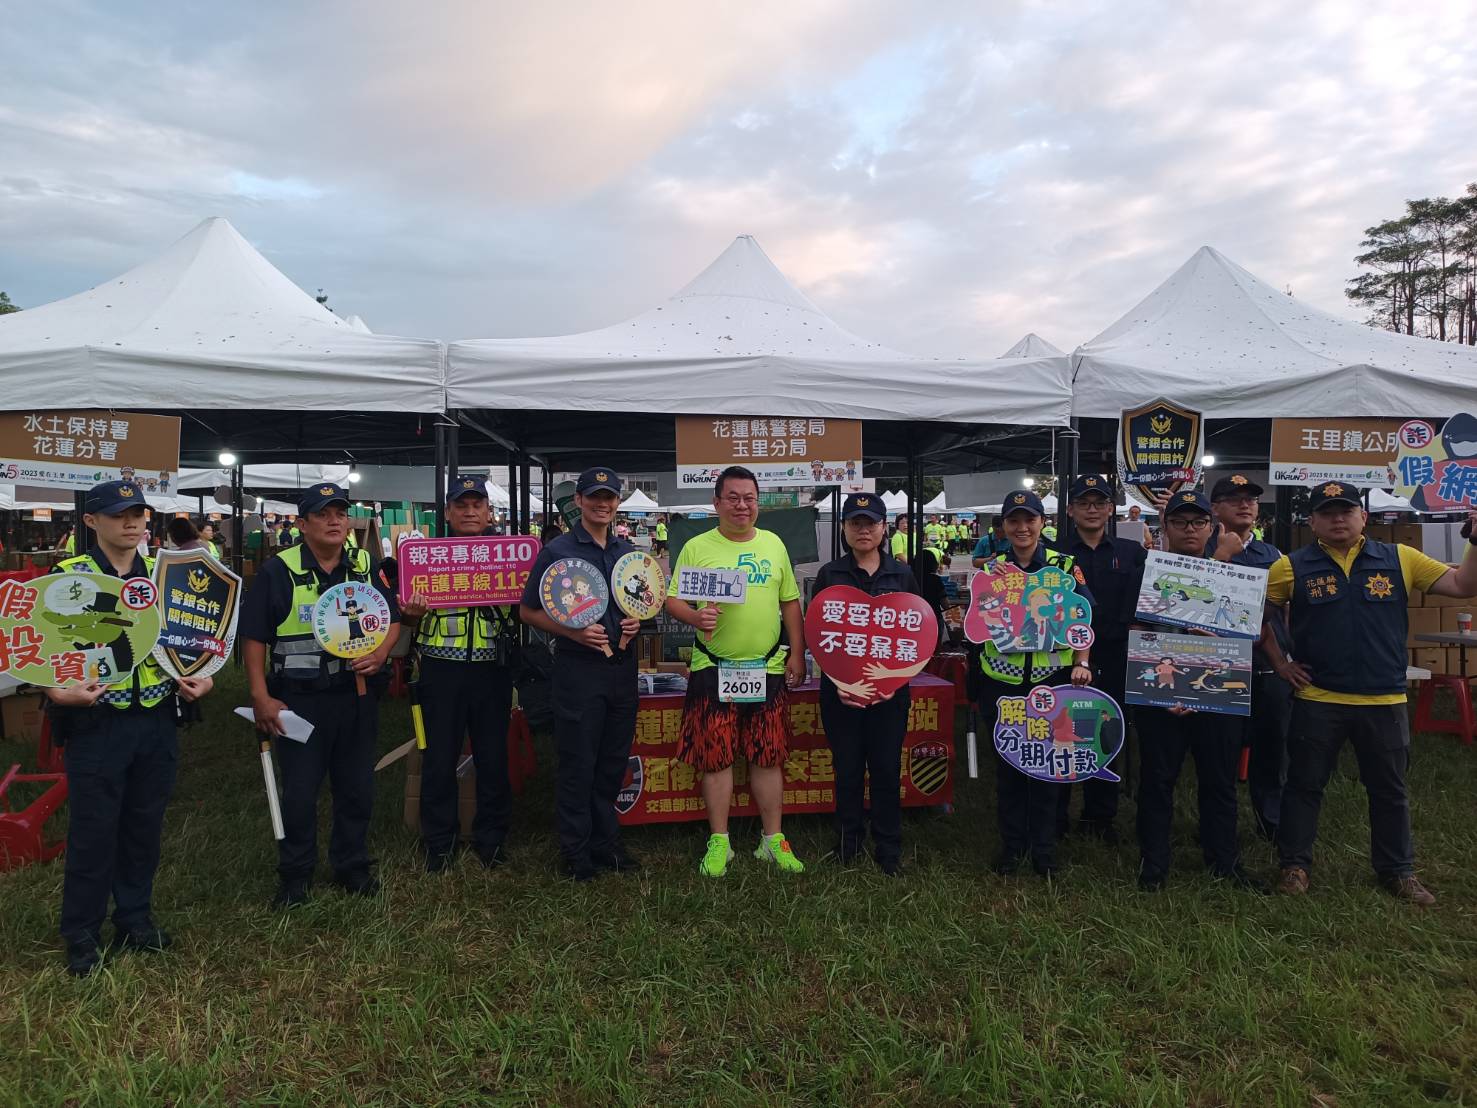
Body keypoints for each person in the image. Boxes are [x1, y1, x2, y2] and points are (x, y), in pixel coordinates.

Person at [1263, 483, 1477, 905]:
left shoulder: (1401, 558)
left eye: (1346, 511)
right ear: (1312, 522)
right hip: (1318, 699)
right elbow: (1256, 615)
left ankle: (1397, 870)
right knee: (1303, 786)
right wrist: (1280, 662)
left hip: (1384, 700)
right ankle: (1294, 866)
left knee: (1389, 791)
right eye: (1327, 512)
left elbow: (1462, 584)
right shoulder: (1290, 566)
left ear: (1363, 517)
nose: (1338, 519)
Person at [49, 479, 213, 976]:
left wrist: (202, 676)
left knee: (144, 827)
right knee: (93, 831)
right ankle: (82, 932)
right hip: (97, 722)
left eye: (138, 513)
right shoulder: (69, 577)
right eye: (118, 514)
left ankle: (135, 919)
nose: (131, 523)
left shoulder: (169, 575)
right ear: (91, 521)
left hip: (157, 717)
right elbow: (41, 646)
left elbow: (198, 637)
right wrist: (56, 692)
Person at [241, 482, 399, 909]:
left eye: (340, 514)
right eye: (323, 514)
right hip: (300, 700)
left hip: (356, 696)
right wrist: (260, 696)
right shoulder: (279, 570)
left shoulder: (364, 565)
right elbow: (254, 638)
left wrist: (381, 653)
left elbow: (392, 616)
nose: (334, 521)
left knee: (356, 787)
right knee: (299, 792)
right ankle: (296, 875)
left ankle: (352, 865)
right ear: (302, 524)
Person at [665, 464, 807, 877]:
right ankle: (720, 841)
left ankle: (772, 839)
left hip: (768, 666)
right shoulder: (697, 547)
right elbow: (673, 600)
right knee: (716, 757)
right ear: (717, 503)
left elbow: (790, 603)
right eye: (733, 498)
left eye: (749, 498)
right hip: (713, 666)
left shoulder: (774, 544)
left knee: (768, 755)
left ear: (758, 503)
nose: (742, 505)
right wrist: (695, 618)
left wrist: (797, 653)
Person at [1133, 489, 1261, 892]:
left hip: (1218, 694)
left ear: (1212, 526)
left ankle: (1223, 860)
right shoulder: (1150, 570)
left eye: (1198, 522)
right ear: (1166, 526)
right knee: (1157, 780)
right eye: (1180, 521)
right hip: (1162, 695)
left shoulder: (1238, 576)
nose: (1189, 529)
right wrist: (1166, 691)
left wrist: (1220, 638)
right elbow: (1136, 631)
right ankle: (1153, 864)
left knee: (1220, 781)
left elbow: (1250, 635)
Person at [519, 467, 642, 881]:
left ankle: (606, 843)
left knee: (612, 760)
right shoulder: (557, 552)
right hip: (578, 670)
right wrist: (572, 631)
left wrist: (636, 622)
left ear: (617, 503)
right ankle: (575, 850)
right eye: (594, 497)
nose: (602, 504)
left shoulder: (627, 552)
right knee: (578, 761)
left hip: (622, 667)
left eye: (609, 497)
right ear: (578, 501)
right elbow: (528, 611)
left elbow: (639, 602)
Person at [401, 477, 520, 872]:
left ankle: (492, 840)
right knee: (439, 758)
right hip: (441, 670)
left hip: (492, 670)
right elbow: (405, 621)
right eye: (461, 505)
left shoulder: (510, 557)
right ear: (448, 512)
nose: (470, 512)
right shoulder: (424, 558)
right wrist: (410, 616)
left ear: (489, 512)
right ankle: (439, 843)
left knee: (493, 757)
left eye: (477, 505)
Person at [976, 489, 1093, 878]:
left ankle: (1045, 850)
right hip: (1003, 683)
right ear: (1004, 526)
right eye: (1014, 520)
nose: (1022, 527)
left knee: (1046, 767)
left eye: (1030, 519)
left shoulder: (1064, 566)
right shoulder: (993, 570)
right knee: (1009, 767)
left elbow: (1083, 619)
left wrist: (1082, 662)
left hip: (1050, 683)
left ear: (1043, 523)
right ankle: (1012, 847)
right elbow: (979, 623)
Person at [813, 494, 927, 875]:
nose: (863, 530)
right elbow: (819, 636)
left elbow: (918, 634)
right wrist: (839, 681)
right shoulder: (830, 575)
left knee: (885, 768)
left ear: (883, 528)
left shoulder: (902, 575)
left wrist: (895, 680)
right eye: (855, 523)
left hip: (889, 695)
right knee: (846, 768)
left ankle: (888, 847)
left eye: (871, 523)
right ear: (844, 529)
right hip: (841, 694)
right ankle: (848, 842)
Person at [1054, 474, 1146, 842]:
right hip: (1065, 658)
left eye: (1099, 502)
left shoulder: (1132, 552)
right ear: (1070, 510)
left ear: (1111, 509)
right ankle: (1056, 814)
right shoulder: (1055, 554)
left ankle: (1100, 816)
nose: (1091, 509)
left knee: (1107, 733)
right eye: (1083, 503)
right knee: (1062, 733)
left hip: (1116, 655)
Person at [1205, 473, 1290, 842]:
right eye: (1234, 498)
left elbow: (1285, 612)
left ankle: (1272, 824)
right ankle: (1218, 831)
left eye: (1251, 499)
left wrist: (1286, 656)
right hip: (1219, 667)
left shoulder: (1273, 555)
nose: (1244, 505)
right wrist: (1221, 557)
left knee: (1272, 750)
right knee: (1219, 755)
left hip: (1268, 667)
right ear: (1215, 508)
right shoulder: (1201, 550)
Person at [912, 548, 948, 651]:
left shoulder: (911, 578)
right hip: (934, 618)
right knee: (934, 649)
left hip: (914, 619)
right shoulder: (935, 580)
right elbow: (945, 604)